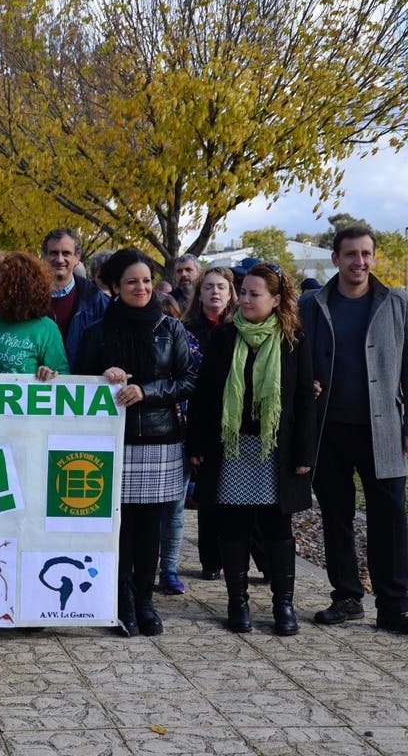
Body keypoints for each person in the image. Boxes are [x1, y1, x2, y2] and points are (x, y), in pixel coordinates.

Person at [189, 264, 315, 635]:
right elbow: (206, 394)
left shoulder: (293, 339)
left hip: (276, 449)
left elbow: (305, 399)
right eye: (242, 292)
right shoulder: (226, 337)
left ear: (276, 300)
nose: (244, 299)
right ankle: (237, 603)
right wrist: (197, 444)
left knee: (278, 527)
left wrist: (305, 453)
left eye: (253, 294)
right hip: (232, 447)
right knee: (233, 527)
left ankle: (283, 605)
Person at [77, 248, 196, 637]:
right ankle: (121, 599)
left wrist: (146, 391)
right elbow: (78, 382)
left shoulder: (171, 328)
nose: (142, 287)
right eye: (132, 281)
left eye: (146, 280)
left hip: (160, 440)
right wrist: (102, 376)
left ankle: (145, 600)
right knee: (120, 526)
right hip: (112, 443)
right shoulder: (97, 330)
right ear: (115, 286)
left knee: (149, 528)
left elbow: (189, 380)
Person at [300, 224, 408, 633]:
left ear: (373, 257)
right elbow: (297, 357)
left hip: (382, 430)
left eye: (365, 254)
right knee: (337, 516)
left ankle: (394, 605)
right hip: (329, 429)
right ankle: (346, 597)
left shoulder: (397, 304)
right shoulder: (313, 304)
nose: (359, 262)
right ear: (336, 259)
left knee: (391, 519)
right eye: (350, 254)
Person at [179, 267, 238, 584]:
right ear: (199, 293)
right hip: (197, 415)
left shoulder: (242, 329)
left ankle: (239, 557)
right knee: (209, 494)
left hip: (235, 419)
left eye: (221, 287)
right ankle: (210, 560)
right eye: (209, 287)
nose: (215, 292)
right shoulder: (185, 330)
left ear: (231, 294)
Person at [0, 251, 68, 380]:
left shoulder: (46, 329)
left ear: (20, 289)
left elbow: (64, 378)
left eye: (1, 283)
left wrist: (49, 373)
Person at [39, 228, 108, 369]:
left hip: (82, 385)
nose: (59, 259)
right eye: (53, 253)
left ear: (77, 257)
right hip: (38, 385)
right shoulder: (27, 299)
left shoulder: (97, 301)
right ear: (44, 256)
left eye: (66, 253)